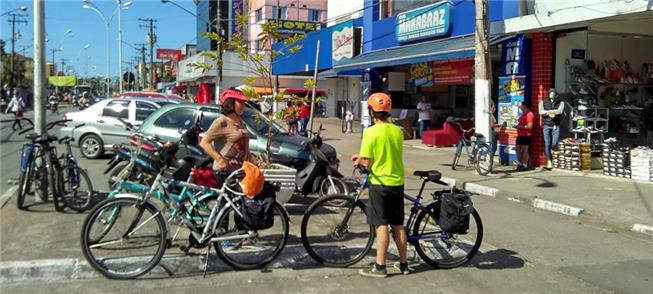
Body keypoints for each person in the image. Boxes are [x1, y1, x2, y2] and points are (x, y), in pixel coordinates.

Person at [351, 92, 410, 278]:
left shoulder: (370, 132)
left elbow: (368, 163)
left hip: (380, 183)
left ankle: (380, 267)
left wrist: (358, 160)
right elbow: (387, 153)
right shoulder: (397, 131)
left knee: (381, 225)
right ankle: (403, 264)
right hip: (397, 183)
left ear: (371, 110)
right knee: (398, 225)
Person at [199, 89, 252, 184]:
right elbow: (204, 142)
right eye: (240, 102)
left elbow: (245, 148)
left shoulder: (240, 122)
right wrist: (219, 160)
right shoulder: (221, 122)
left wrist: (252, 164)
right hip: (224, 171)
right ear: (230, 103)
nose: (243, 105)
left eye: (244, 102)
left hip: (239, 171)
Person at [539, 88, 565, 169]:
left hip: (556, 125)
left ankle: (553, 151)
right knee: (547, 143)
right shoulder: (542, 102)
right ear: (548, 94)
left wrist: (548, 112)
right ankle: (549, 161)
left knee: (554, 143)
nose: (552, 94)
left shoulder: (561, 102)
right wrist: (552, 112)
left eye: (553, 93)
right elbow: (541, 111)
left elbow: (560, 111)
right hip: (546, 125)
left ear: (556, 94)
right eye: (550, 93)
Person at [515, 101, 534, 171]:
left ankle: (524, 164)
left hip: (526, 135)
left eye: (522, 105)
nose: (521, 107)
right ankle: (520, 163)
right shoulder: (523, 114)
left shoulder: (529, 114)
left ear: (524, 106)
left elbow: (530, 126)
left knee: (525, 149)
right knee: (518, 148)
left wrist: (520, 126)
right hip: (520, 134)